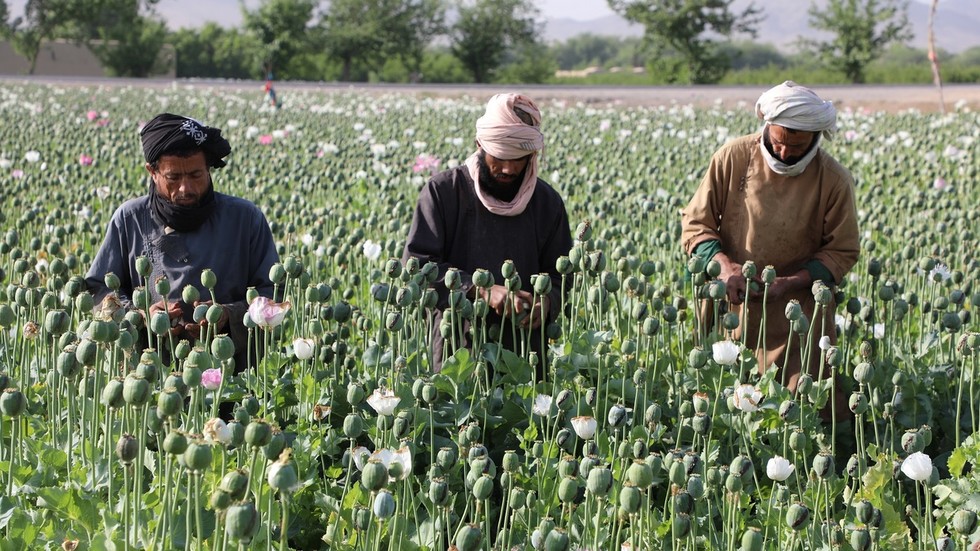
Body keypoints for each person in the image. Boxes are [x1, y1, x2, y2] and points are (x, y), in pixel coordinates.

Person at [681, 81, 860, 391]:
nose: (784, 151)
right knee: (722, 396)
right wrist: (725, 268)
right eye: (778, 141)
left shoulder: (834, 180)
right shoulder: (733, 157)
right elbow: (696, 224)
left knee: (798, 408)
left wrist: (788, 284)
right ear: (767, 125)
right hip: (730, 305)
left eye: (797, 146)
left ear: (816, 138)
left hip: (799, 316)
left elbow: (842, 251)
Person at [86, 113, 280, 370]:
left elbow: (274, 293)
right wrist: (142, 316)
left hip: (230, 376)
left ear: (209, 169)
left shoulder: (244, 218)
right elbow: (98, 290)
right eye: (173, 178)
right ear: (152, 171)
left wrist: (228, 315)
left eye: (196, 175)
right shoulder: (130, 218)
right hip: (147, 378)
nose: (186, 188)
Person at [403, 93, 572, 373]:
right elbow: (419, 268)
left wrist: (548, 301)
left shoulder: (546, 203)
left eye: (519, 159)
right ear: (479, 144)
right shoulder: (444, 193)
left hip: (525, 354)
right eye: (500, 157)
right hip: (457, 354)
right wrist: (478, 290)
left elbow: (563, 276)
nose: (508, 168)